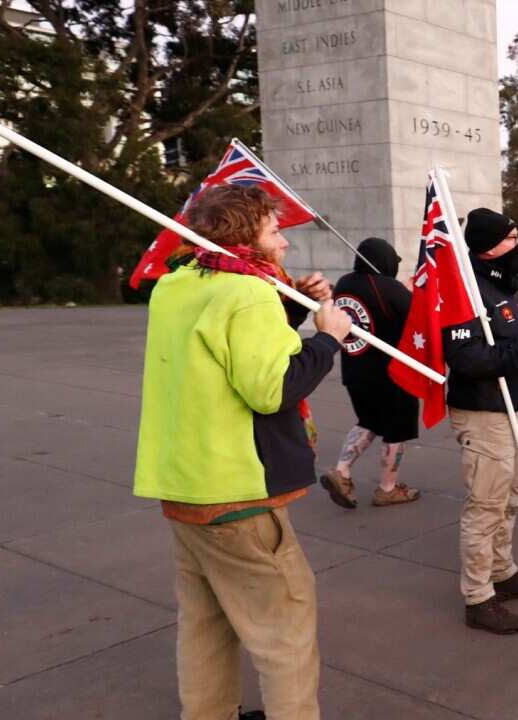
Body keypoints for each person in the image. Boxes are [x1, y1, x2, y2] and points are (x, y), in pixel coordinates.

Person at [133, 184, 353, 719]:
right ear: (244, 237)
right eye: (274, 231)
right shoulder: (245, 293)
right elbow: (271, 388)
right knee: (286, 631)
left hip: (183, 484)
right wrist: (327, 337)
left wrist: (281, 302)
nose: (284, 244)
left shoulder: (176, 285)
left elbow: (222, 348)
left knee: (205, 622)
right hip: (239, 493)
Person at [444, 208, 518, 635]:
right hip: (484, 412)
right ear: (488, 248)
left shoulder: (503, 285)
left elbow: (515, 333)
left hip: (516, 406)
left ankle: (502, 571)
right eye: (511, 239)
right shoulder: (466, 290)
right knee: (486, 506)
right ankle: (478, 596)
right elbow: (466, 357)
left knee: (508, 498)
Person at [319, 237, 421, 509]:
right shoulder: (389, 287)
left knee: (369, 421)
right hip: (391, 374)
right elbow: (414, 316)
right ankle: (388, 488)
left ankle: (341, 471)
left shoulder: (345, 284)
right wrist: (408, 291)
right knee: (397, 429)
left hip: (355, 370)